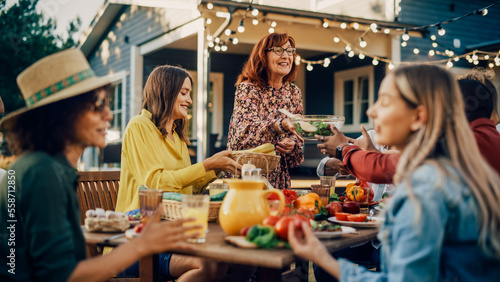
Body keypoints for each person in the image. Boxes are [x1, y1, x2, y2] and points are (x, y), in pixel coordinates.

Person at [0, 49, 201, 282]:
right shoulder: (41, 173)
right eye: (97, 104)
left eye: (107, 102)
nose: (108, 114)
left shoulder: (48, 167)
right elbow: (64, 276)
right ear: (61, 114)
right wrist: (142, 245)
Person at [290, 64, 500, 281]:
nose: (371, 111)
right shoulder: (448, 171)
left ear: (419, 116)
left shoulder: (424, 191)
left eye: (385, 101)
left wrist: (319, 255)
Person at [116, 65, 253, 281]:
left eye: (189, 93)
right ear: (165, 91)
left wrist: (217, 168)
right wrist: (206, 165)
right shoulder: (139, 126)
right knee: (206, 266)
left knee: (243, 261)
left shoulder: (178, 137)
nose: (189, 100)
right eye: (183, 93)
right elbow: (155, 183)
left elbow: (186, 188)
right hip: (136, 242)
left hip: (174, 235)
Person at [227, 32, 304, 189]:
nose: (286, 56)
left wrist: (292, 146)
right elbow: (244, 135)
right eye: (278, 50)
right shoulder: (247, 89)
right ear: (263, 56)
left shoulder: (294, 92)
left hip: (279, 183)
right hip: (246, 177)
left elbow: (297, 149)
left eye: (290, 51)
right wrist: (280, 126)